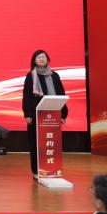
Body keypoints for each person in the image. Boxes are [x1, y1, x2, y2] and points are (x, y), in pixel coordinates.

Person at [22, 49, 68, 178]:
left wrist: (63, 114)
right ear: (34, 61)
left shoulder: (55, 76)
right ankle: (36, 171)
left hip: (53, 115)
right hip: (36, 115)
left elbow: (61, 94)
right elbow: (27, 96)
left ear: (47, 59)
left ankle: (52, 168)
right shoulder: (30, 76)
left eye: (43, 57)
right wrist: (27, 114)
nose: (41, 59)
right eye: (38, 57)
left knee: (52, 143)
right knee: (36, 144)